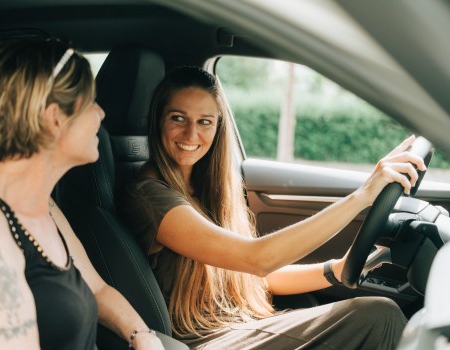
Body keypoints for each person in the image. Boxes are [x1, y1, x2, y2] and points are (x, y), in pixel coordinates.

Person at [120, 66, 426, 349]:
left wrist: (336, 269)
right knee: (379, 315)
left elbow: (253, 279)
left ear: (218, 128)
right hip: (206, 339)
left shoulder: (203, 189)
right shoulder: (148, 197)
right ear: (158, 119)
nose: (191, 135)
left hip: (239, 324)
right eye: (177, 118)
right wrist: (363, 195)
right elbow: (258, 260)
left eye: (204, 122)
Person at [0, 39, 163, 350]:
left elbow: (98, 289)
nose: (101, 114)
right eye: (91, 102)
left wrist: (142, 337)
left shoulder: (46, 208)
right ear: (55, 118)